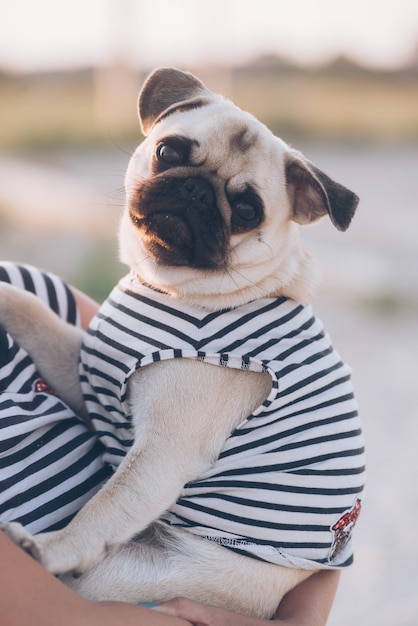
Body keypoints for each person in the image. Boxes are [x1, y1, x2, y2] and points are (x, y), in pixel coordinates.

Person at [0, 262, 340, 625]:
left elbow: (319, 523)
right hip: (158, 573)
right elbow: (59, 617)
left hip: (230, 565)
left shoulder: (23, 288)